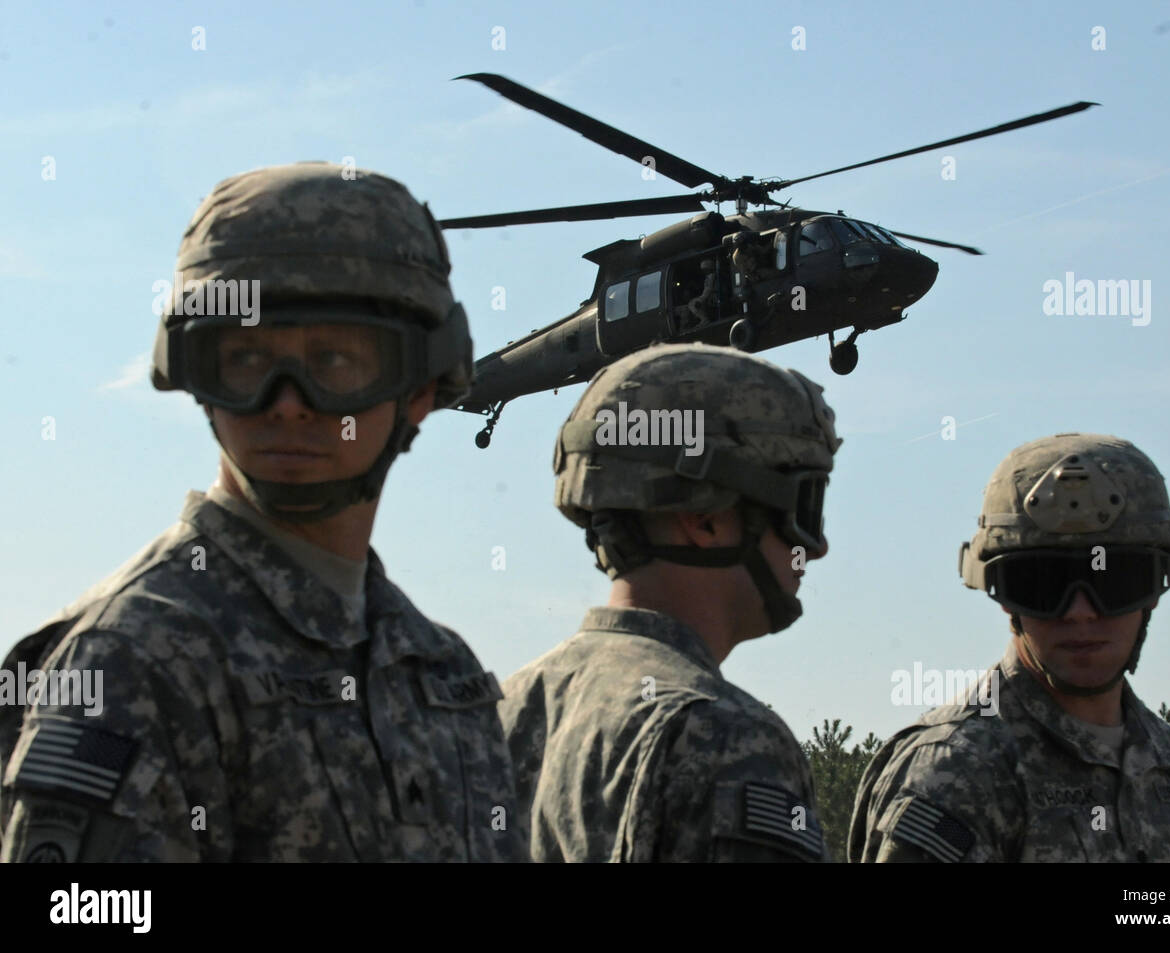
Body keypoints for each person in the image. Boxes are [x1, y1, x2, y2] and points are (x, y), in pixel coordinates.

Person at [0, 162, 526, 862]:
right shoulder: (137, 657)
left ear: (422, 386)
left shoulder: (441, 674)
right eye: (245, 359)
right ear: (194, 376)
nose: (287, 400)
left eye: (336, 360)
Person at [500, 343, 841, 862]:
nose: (816, 548)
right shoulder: (721, 736)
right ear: (705, 518)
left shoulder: (501, 711)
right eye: (805, 509)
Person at [847, 433, 1170, 862]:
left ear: (1157, 588)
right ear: (1000, 595)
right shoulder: (955, 769)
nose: (1080, 612)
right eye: (1044, 583)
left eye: (1115, 579)